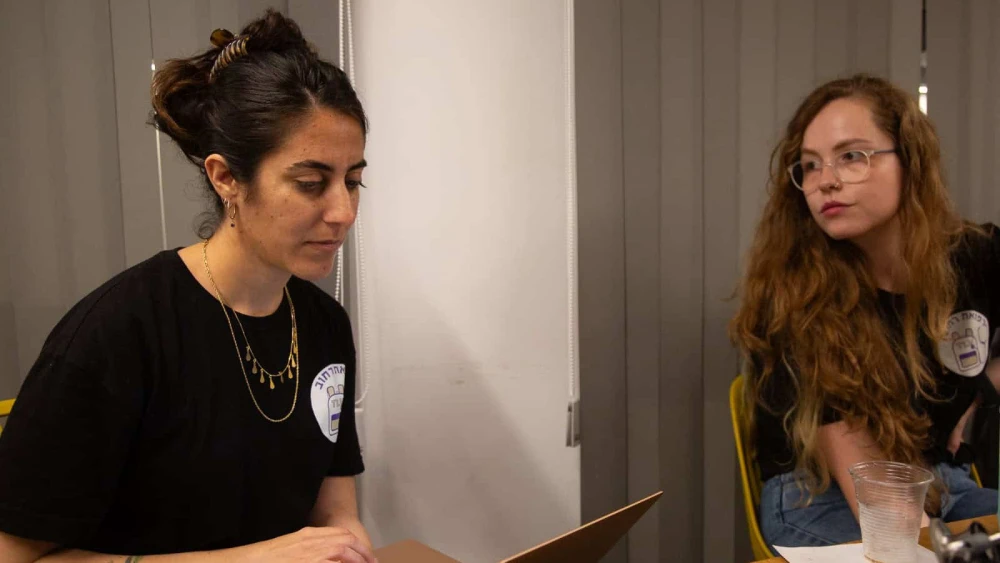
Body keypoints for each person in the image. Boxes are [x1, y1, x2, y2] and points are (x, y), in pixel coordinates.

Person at [0, 10, 377, 563]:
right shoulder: (115, 334)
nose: (343, 211)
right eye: (310, 183)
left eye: (354, 180)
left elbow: (334, 511)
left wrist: (349, 547)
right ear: (225, 177)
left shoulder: (322, 325)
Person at [731, 73, 1000, 550]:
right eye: (809, 166)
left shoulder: (971, 256)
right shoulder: (798, 296)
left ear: (910, 162)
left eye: (851, 155)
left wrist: (982, 387)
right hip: (819, 495)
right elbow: (888, 516)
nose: (825, 181)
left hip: (943, 481)